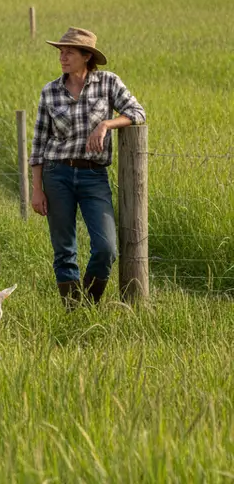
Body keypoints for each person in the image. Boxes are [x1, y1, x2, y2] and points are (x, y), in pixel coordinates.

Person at [29, 28, 146, 308]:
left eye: (69, 51)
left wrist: (106, 124)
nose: (62, 56)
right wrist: (37, 189)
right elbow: (38, 144)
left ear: (87, 56)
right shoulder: (50, 91)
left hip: (94, 175)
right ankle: (73, 311)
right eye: (60, 51)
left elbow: (137, 112)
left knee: (106, 248)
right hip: (56, 174)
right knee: (64, 249)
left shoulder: (107, 83)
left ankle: (88, 304)